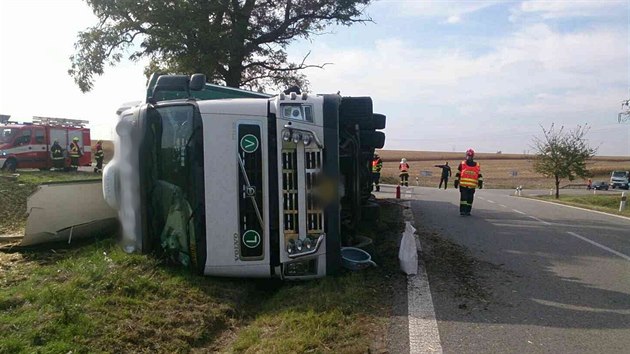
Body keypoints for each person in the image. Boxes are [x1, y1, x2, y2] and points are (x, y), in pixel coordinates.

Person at [454, 148, 483, 216]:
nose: (469, 157)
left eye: (470, 156)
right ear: (466, 156)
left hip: (472, 186)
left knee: (470, 199)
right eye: (468, 156)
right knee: (464, 198)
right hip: (463, 185)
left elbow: (479, 175)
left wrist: (480, 182)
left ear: (472, 156)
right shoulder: (462, 164)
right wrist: (456, 181)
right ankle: (462, 211)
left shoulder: (477, 165)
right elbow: (458, 173)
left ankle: (468, 211)